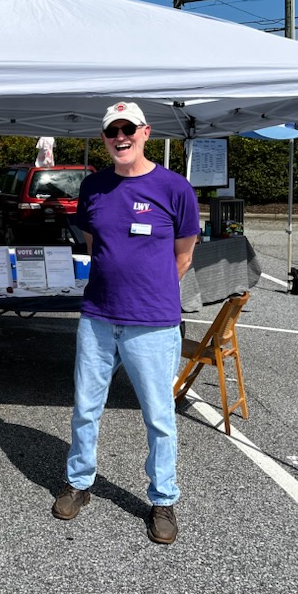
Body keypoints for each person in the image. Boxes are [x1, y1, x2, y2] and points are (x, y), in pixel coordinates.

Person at [52, 101, 199, 544]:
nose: (121, 136)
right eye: (112, 130)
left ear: (145, 133)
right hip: (97, 317)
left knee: (158, 416)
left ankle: (163, 499)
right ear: (104, 138)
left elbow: (184, 254)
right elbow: (97, 242)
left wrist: (148, 291)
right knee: (85, 409)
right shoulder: (94, 186)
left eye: (128, 129)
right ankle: (79, 484)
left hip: (152, 323)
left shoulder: (174, 188)